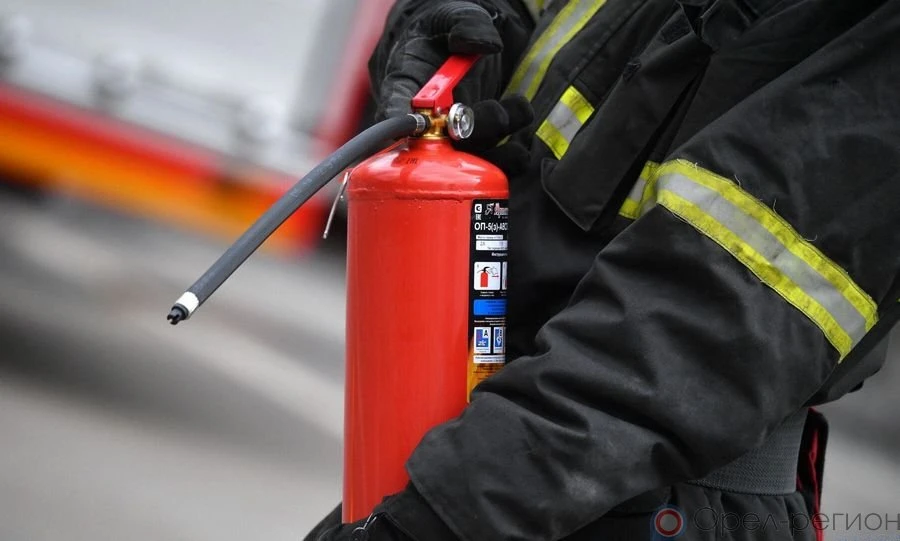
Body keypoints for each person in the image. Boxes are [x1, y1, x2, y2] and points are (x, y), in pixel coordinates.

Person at [307, 0, 900, 539]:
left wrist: (449, 513)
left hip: (619, 485)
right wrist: (455, 19)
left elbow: (709, 326)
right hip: (477, 447)